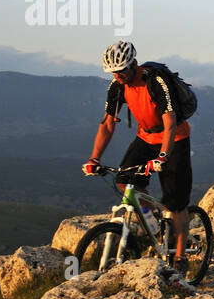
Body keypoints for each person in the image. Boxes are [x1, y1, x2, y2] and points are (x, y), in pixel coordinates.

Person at [83, 40, 193, 273]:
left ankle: (181, 257)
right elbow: (107, 124)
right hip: (145, 139)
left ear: (133, 64)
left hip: (174, 140)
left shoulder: (156, 81)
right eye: (113, 71)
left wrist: (163, 156)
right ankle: (154, 221)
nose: (118, 75)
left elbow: (170, 121)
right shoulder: (117, 86)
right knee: (124, 181)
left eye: (122, 70)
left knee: (177, 203)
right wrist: (94, 159)